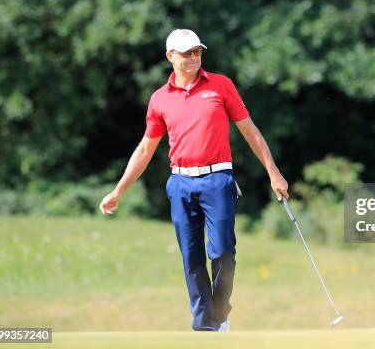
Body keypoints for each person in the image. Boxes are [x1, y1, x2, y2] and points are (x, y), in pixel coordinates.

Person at [99, 29, 289, 332]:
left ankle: (220, 312)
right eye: (186, 53)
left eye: (197, 51)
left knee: (223, 252)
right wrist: (119, 190)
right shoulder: (160, 99)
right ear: (170, 56)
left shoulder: (221, 86)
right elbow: (146, 149)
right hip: (180, 184)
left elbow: (250, 131)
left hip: (218, 179)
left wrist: (273, 171)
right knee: (192, 258)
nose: (193, 57)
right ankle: (205, 327)